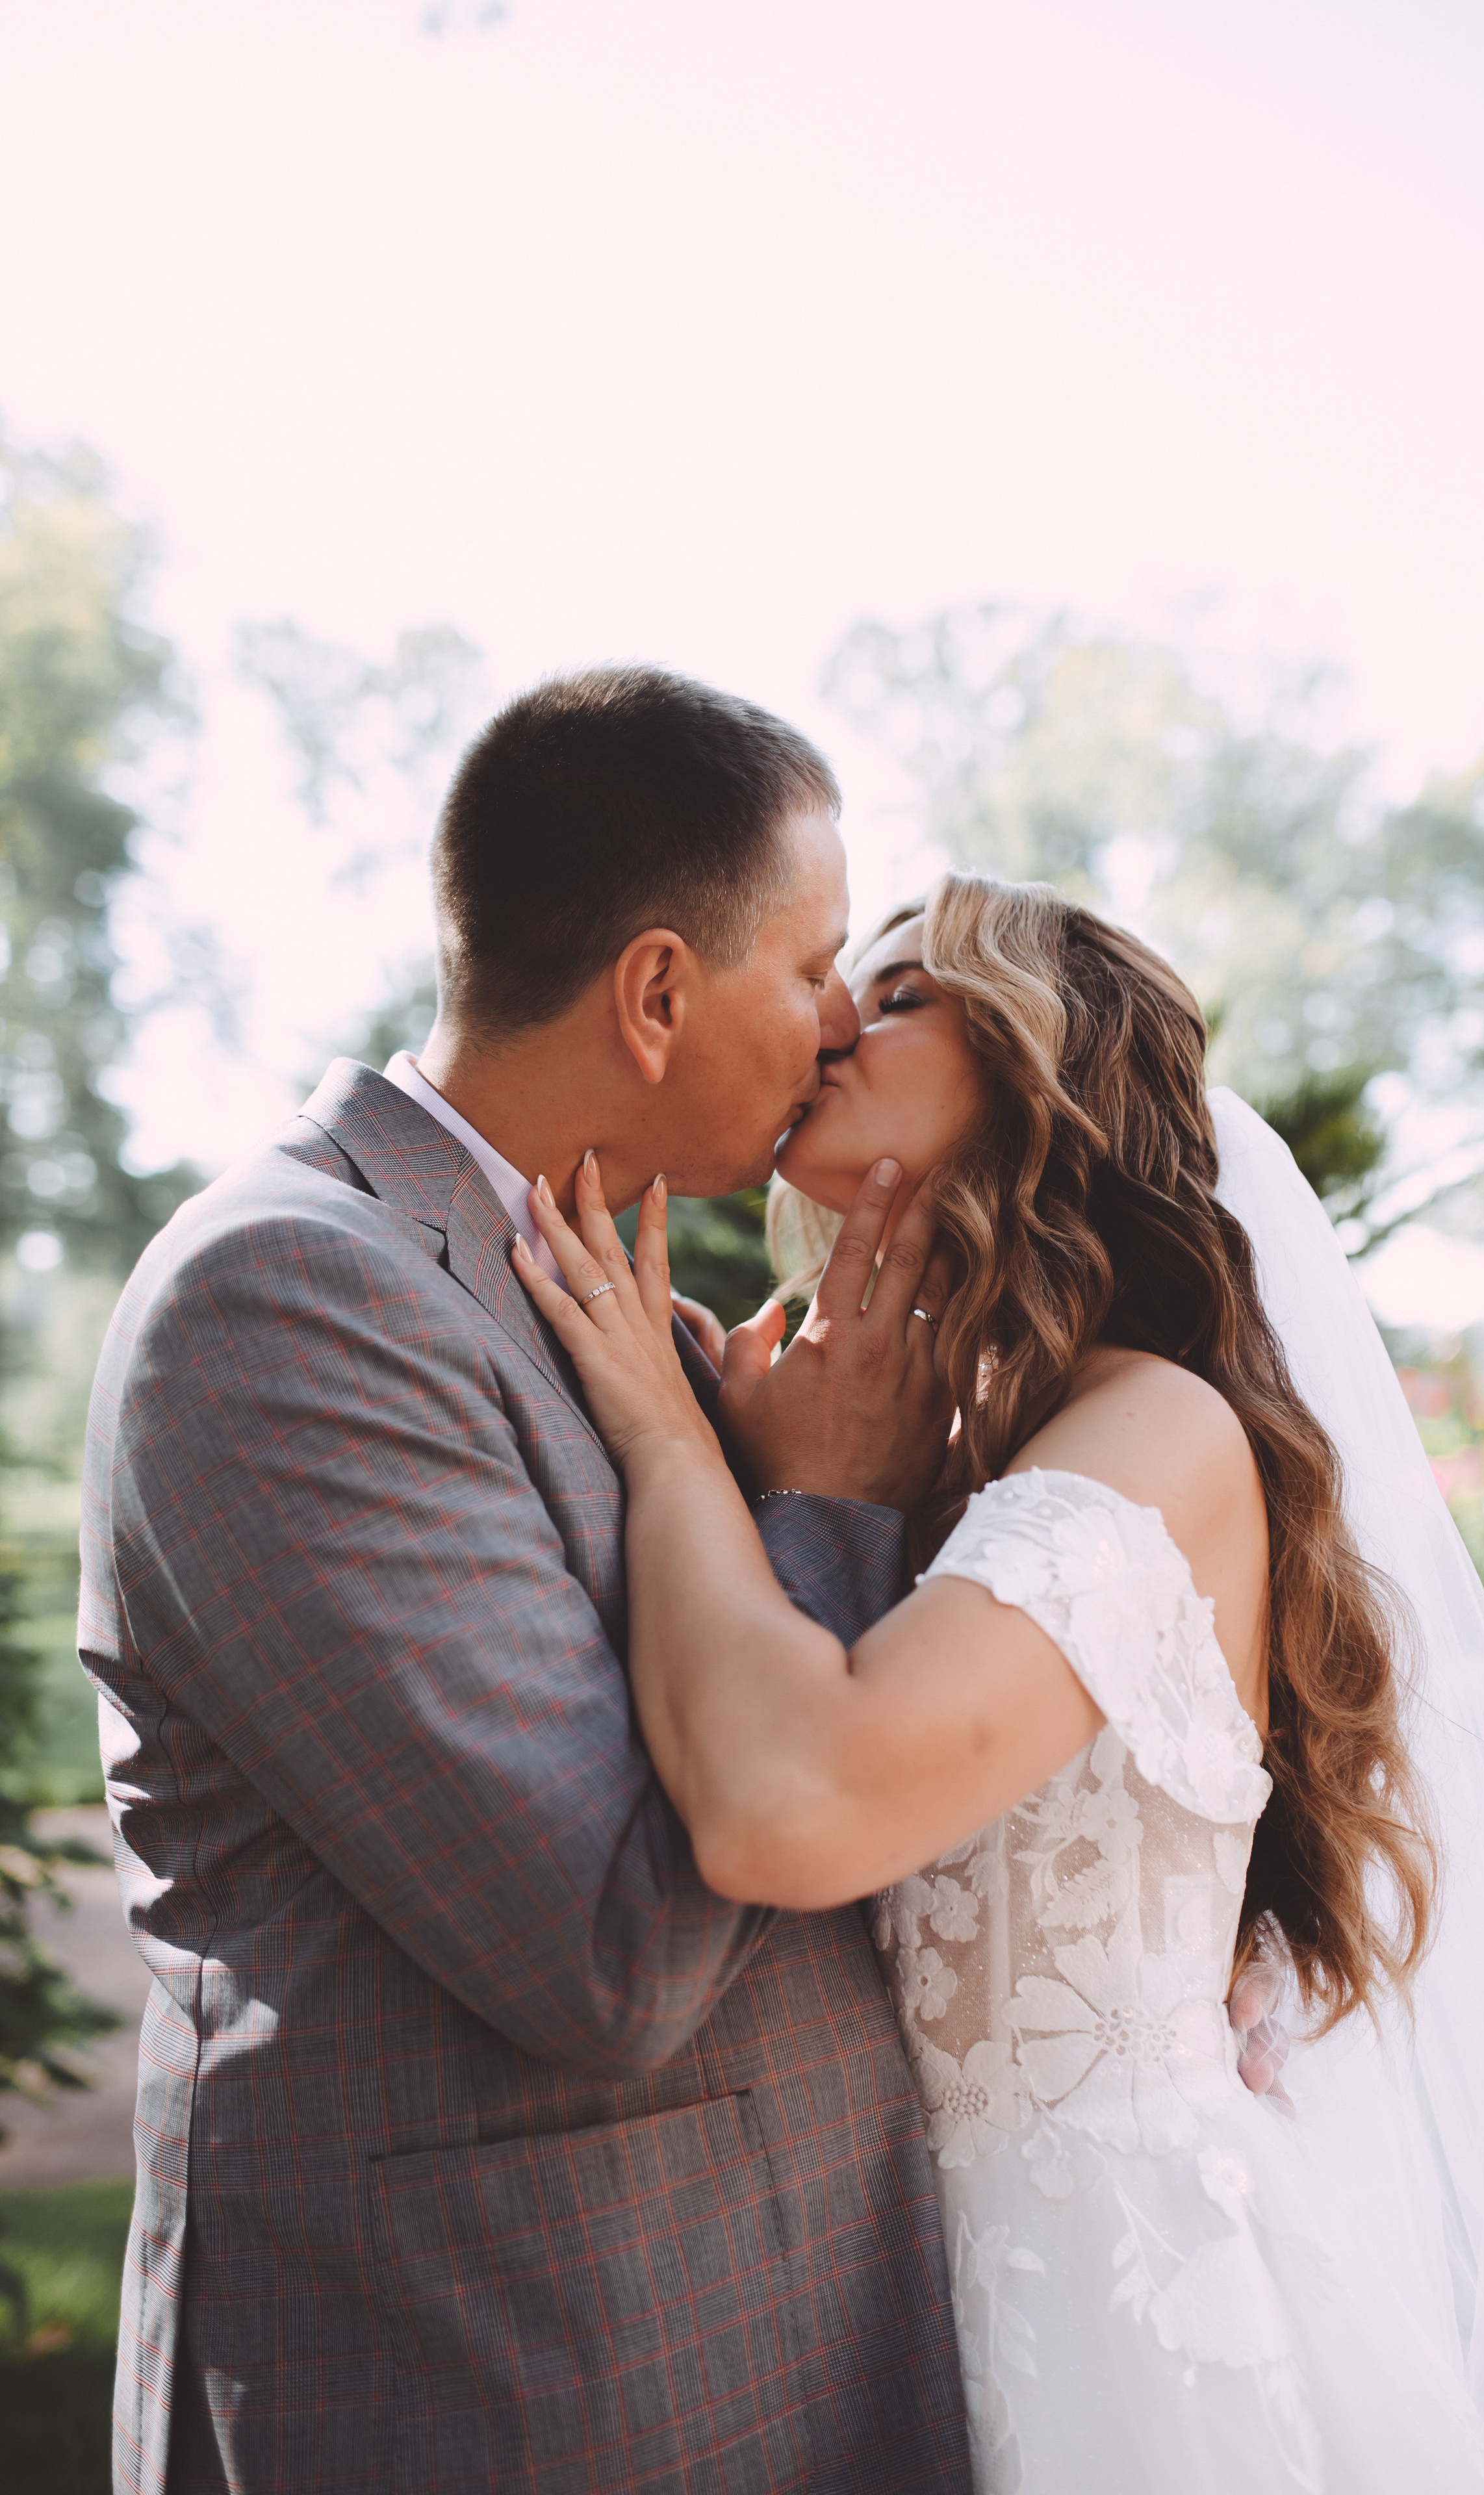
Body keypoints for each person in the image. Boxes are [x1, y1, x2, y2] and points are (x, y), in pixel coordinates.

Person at [515, 871, 1484, 2494]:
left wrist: (661, 1444)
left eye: (903, 995)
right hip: (894, 2302)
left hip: (1118, 2326)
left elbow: (798, 1802)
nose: (836, 1020)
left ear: (1043, 1073)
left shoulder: (1155, 1429)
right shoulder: (954, 1433)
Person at [79, 669, 978, 2495]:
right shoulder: (282, 1302)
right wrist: (824, 1503)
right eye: (810, 965)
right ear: (656, 991)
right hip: (513, 2385)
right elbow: (609, 1952)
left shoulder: (622, 1298)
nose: (834, 1023)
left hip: (795, 2332)